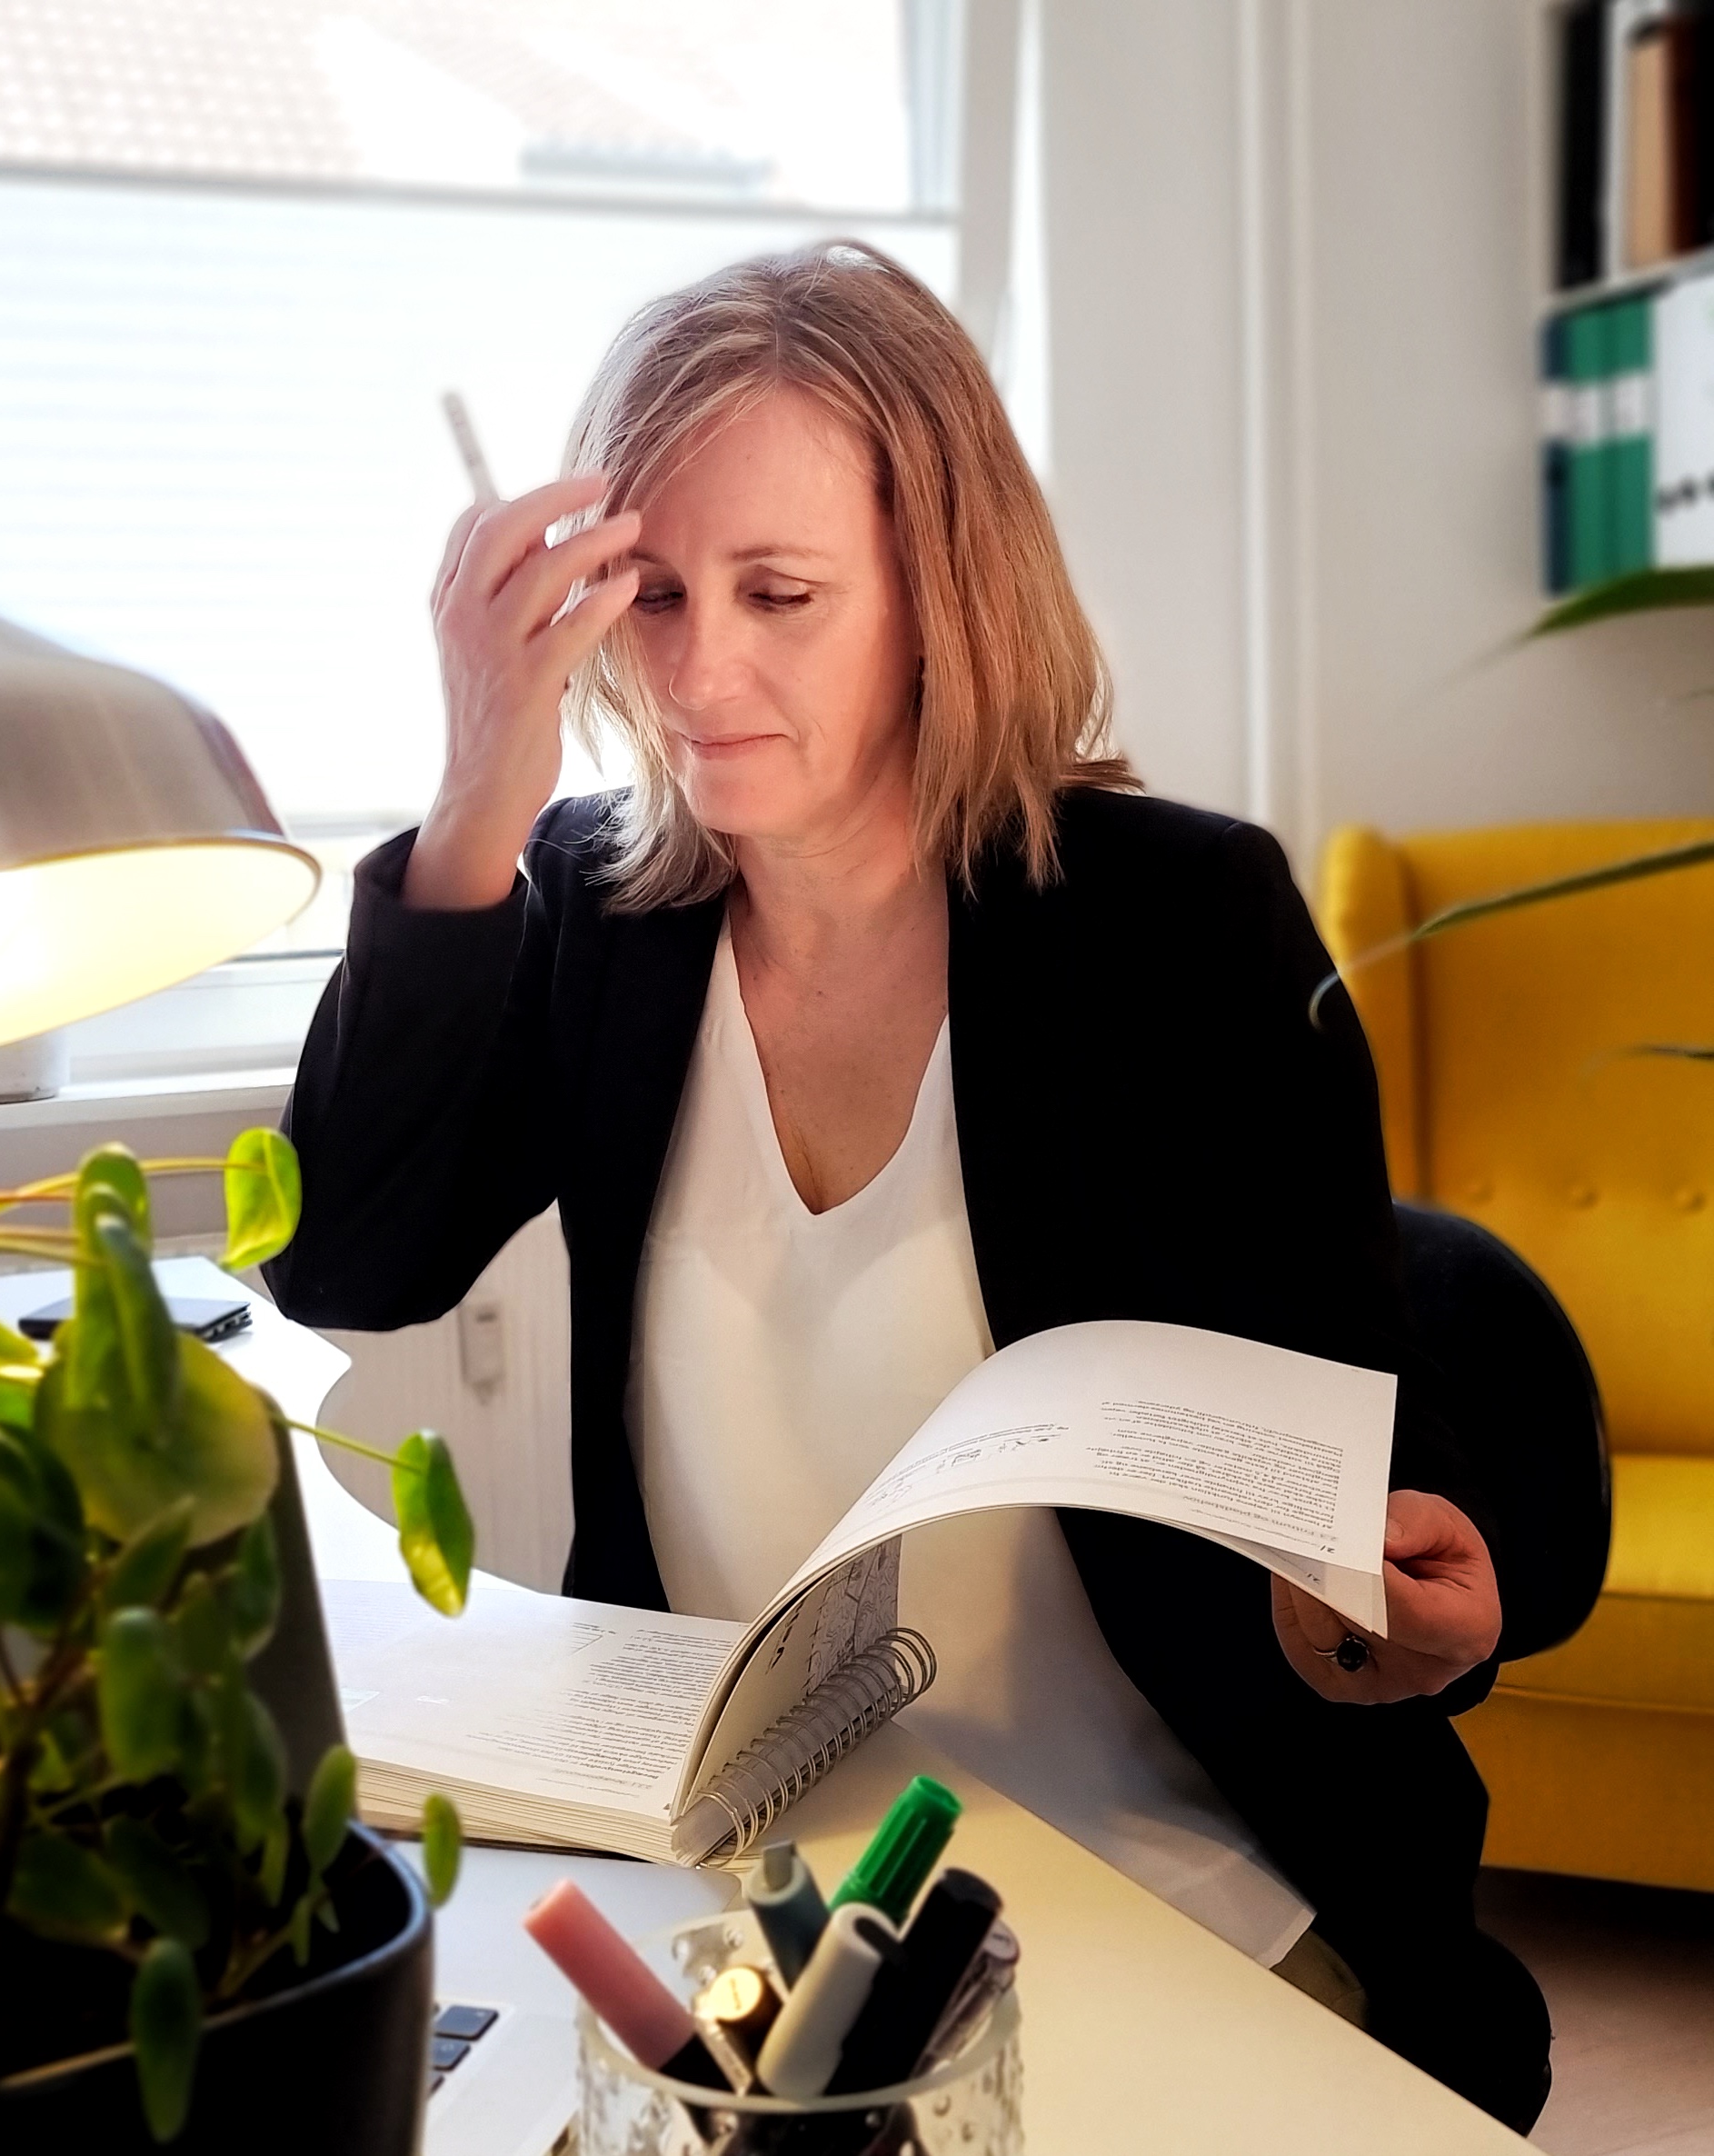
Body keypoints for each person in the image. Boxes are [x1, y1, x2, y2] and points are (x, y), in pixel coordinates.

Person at [269, 243, 1550, 2130]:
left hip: (1174, 1869)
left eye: (779, 594)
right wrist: (476, 797)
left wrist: (1394, 1580)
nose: (696, 671)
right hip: (758, 1892)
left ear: (939, 591)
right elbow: (344, 1259)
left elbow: (1356, 1405)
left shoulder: (1173, 920)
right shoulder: (601, 917)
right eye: (652, 596)